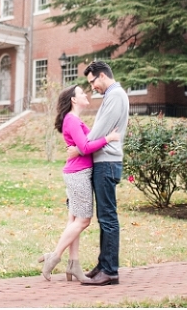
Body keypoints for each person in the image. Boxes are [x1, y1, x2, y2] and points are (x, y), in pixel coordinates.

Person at [37, 84, 120, 282]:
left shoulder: (73, 119)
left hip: (78, 171)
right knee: (83, 220)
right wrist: (109, 138)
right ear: (74, 99)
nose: (86, 94)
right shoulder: (71, 120)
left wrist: (88, 145)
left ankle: (74, 264)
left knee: (74, 221)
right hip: (78, 173)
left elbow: (85, 144)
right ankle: (54, 256)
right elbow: (84, 146)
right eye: (82, 92)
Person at [65, 61, 129, 286]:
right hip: (104, 162)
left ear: (102, 76)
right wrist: (85, 143)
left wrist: (80, 146)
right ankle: (103, 265)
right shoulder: (112, 96)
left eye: (93, 82)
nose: (92, 87)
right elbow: (96, 131)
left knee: (108, 217)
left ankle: (110, 270)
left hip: (107, 163)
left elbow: (96, 133)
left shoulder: (116, 96)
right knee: (105, 217)